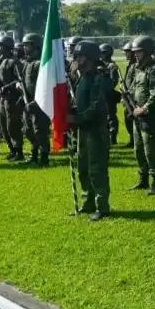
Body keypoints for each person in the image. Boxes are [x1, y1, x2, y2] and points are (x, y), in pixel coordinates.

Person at [67, 40, 110, 221]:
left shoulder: (98, 78)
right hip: (83, 131)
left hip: (96, 130)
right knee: (82, 168)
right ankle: (88, 202)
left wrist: (76, 119)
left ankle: (102, 206)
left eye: (81, 56)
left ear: (90, 58)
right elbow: (79, 103)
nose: (77, 60)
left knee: (96, 169)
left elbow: (95, 107)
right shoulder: (81, 77)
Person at [129, 35, 155, 195]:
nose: (135, 54)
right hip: (137, 115)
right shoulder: (138, 69)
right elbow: (135, 89)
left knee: (151, 151)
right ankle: (143, 179)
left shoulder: (154, 69)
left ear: (147, 52)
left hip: (149, 116)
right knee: (139, 149)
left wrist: (144, 109)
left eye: (139, 51)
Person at [20, 33, 52, 167]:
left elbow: (46, 84)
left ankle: (44, 157)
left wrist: (38, 100)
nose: (25, 48)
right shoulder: (28, 63)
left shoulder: (41, 64)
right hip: (27, 101)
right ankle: (33, 154)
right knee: (28, 129)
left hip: (39, 102)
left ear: (35, 46)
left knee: (40, 130)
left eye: (27, 45)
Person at [0, 35, 25, 161]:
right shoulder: (0, 60)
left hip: (12, 98)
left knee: (12, 125)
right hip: (2, 99)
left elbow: (19, 80)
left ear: (7, 47)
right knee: (4, 126)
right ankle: (12, 149)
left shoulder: (14, 62)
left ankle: (19, 151)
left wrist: (7, 87)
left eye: (0, 46)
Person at [100, 44, 121, 145]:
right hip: (100, 94)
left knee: (111, 117)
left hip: (109, 95)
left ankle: (113, 137)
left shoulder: (112, 66)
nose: (102, 55)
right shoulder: (99, 65)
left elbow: (113, 81)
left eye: (103, 53)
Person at [120, 41, 136, 148]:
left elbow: (136, 82)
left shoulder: (136, 66)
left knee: (135, 120)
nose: (126, 54)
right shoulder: (128, 65)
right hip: (126, 97)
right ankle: (132, 139)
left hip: (133, 97)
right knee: (127, 118)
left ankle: (136, 140)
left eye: (128, 52)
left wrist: (130, 91)